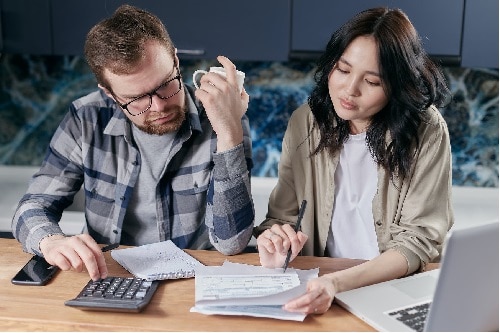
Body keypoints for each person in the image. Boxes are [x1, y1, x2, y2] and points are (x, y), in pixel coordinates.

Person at [12, 4, 254, 281]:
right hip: (108, 276)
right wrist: (50, 241)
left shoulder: (223, 116)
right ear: (110, 93)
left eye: (165, 84)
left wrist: (229, 134)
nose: (159, 107)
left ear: (176, 61)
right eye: (137, 98)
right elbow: (32, 206)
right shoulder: (86, 118)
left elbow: (231, 242)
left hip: (191, 281)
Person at [254, 7, 453, 315]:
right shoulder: (305, 122)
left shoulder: (427, 130)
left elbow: (418, 242)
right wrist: (276, 243)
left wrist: (338, 283)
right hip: (320, 288)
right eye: (343, 70)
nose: (350, 90)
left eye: (372, 82)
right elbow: (282, 217)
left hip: (391, 290)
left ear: (396, 86)